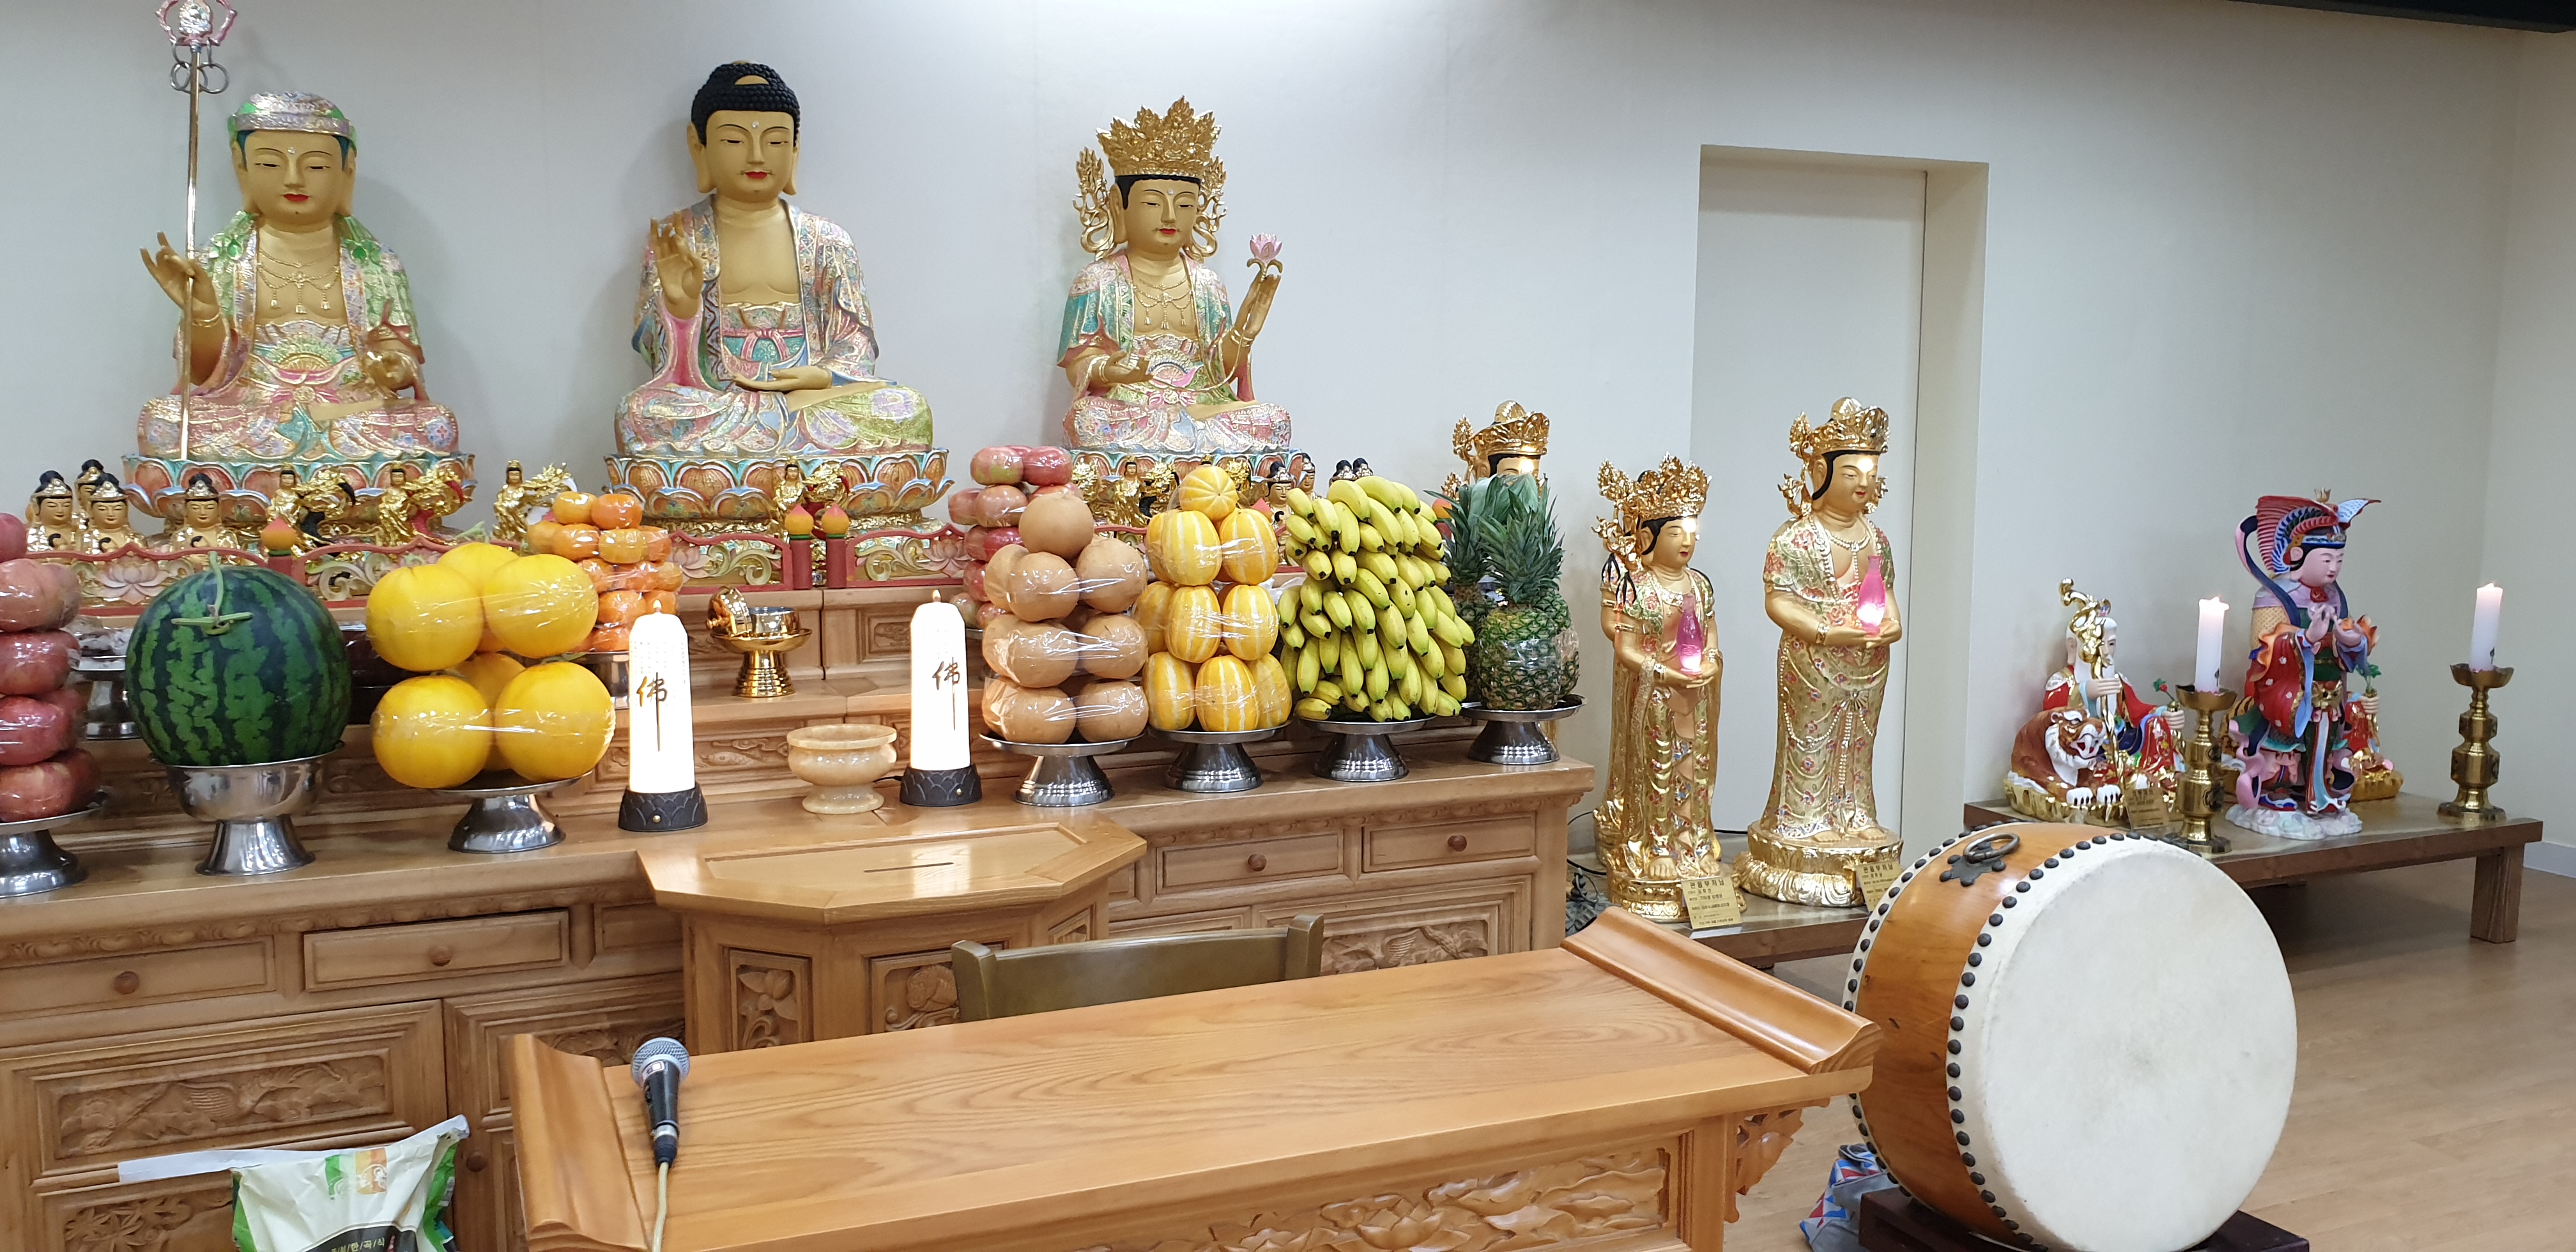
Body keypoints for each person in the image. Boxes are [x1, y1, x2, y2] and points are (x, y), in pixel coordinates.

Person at [618, 62, 934, 457]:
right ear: (699, 147)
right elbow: (664, 367)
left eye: (775, 142)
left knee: (907, 410)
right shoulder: (678, 237)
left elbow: (856, 342)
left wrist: (821, 376)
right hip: (720, 401)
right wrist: (681, 310)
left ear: (795, 149)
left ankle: (749, 466)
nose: (756, 156)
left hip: (809, 403)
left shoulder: (828, 241)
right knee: (640, 414)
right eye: (734, 141)